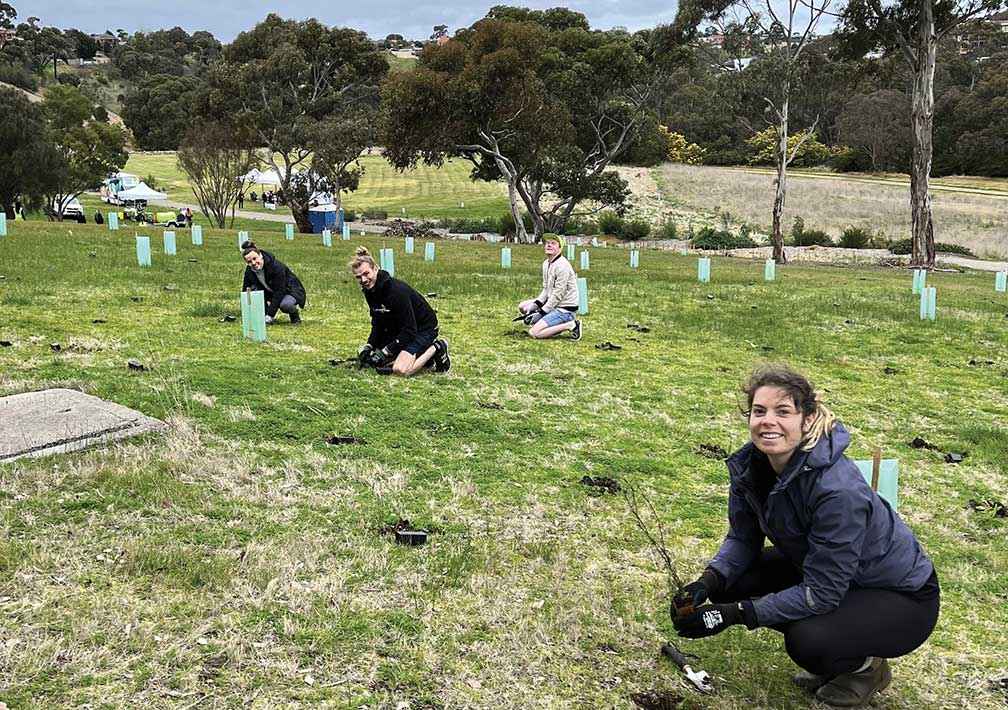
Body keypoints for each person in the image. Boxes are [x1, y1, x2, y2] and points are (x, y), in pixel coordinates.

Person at [671, 364, 939, 708]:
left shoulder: (836, 490)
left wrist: (736, 613)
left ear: (808, 419)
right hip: (827, 570)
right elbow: (742, 540)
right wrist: (707, 583)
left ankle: (863, 667)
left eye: (783, 411)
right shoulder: (750, 466)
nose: (768, 421)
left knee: (809, 640)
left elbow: (823, 592)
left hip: (901, 596)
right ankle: (844, 642)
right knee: (734, 580)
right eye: (759, 411)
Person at [350, 246, 449, 376]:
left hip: (423, 328)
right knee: (375, 360)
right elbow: (378, 323)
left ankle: (437, 347)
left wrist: (385, 351)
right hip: (400, 328)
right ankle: (425, 360)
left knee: (400, 370)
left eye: (366, 273)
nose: (363, 280)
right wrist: (369, 346)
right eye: (358, 277)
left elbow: (410, 330)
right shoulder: (370, 291)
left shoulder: (395, 291)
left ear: (375, 269)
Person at [517, 233, 582, 340]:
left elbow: (557, 295)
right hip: (553, 304)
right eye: (547, 243)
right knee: (523, 307)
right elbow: (546, 289)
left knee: (534, 333)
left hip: (565, 309)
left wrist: (541, 312)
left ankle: (571, 325)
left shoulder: (562, 266)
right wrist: (535, 305)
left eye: (553, 243)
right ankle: (547, 322)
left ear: (560, 248)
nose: (549, 245)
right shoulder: (546, 263)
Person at [240, 241, 307, 325]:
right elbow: (246, 290)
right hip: (270, 292)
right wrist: (246, 313)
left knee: (286, 305)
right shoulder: (249, 271)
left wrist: (270, 315)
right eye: (249, 262)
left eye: (255, 258)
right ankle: (264, 315)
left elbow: (279, 292)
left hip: (289, 291)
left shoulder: (276, 267)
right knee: (253, 292)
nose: (253, 263)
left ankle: (295, 317)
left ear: (260, 255)